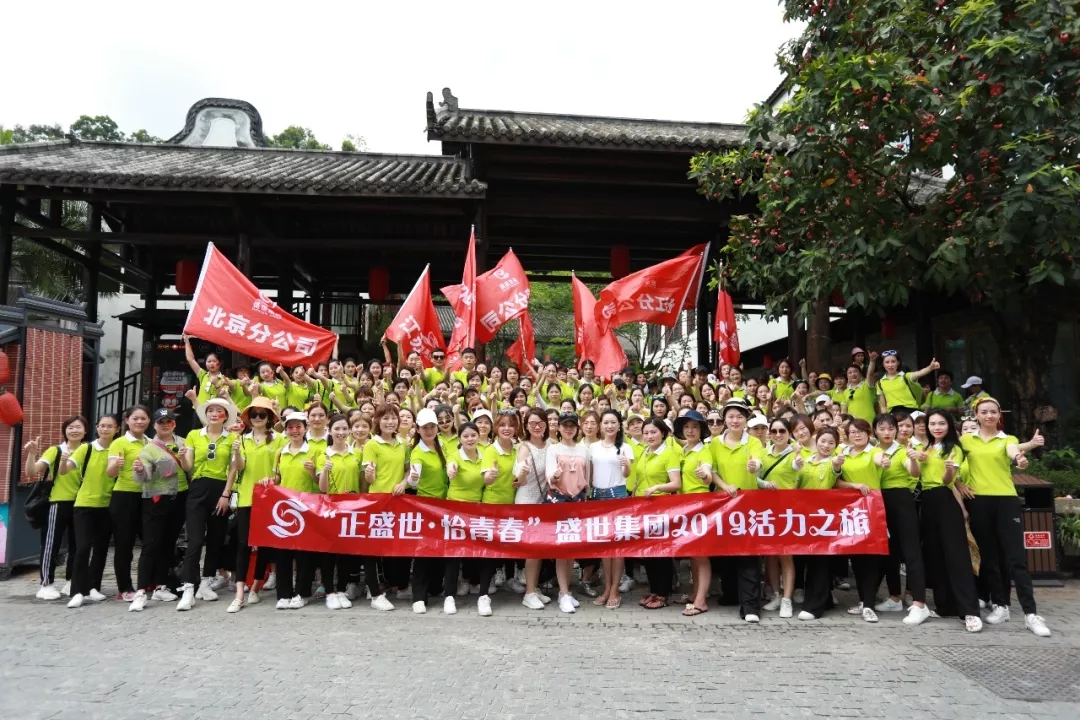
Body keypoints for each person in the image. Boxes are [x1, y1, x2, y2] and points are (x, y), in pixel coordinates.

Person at [958, 398, 1050, 637]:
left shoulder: (1006, 439)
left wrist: (1020, 458)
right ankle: (1000, 605)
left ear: (999, 415)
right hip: (979, 501)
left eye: (993, 412)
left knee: (1016, 558)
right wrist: (959, 484)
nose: (989, 415)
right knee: (989, 556)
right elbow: (950, 463)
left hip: (1006, 500)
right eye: (984, 412)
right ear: (976, 415)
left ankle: (1031, 614)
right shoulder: (966, 440)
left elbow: (1013, 451)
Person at [914, 411, 983, 633]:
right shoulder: (925, 449)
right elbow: (916, 475)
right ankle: (945, 606)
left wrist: (949, 471)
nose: (937, 427)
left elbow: (947, 481)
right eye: (932, 423)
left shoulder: (954, 449)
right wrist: (914, 458)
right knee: (935, 555)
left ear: (949, 425)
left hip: (945, 499)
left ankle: (970, 611)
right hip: (927, 502)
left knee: (956, 556)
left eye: (941, 423)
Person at [128, 408, 190, 612]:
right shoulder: (149, 449)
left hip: (180, 498)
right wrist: (140, 471)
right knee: (151, 545)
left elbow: (190, 468)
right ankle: (141, 592)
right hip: (156, 500)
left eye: (169, 421)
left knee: (168, 543)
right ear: (154, 425)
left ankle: (161, 586)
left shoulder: (183, 443)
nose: (165, 425)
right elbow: (142, 476)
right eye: (161, 422)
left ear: (174, 423)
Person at [708, 399, 765, 622]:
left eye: (739, 417)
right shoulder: (714, 443)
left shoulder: (754, 442)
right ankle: (730, 595)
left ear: (746, 420)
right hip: (722, 504)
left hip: (748, 506)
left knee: (748, 555)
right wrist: (724, 486)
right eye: (731, 416)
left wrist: (754, 466)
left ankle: (750, 606)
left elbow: (758, 462)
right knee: (727, 553)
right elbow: (712, 470)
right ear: (724, 419)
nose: (735, 420)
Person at [872, 413, 930, 624]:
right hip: (879, 501)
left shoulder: (903, 450)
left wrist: (913, 459)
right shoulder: (872, 450)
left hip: (902, 500)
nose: (887, 432)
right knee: (889, 551)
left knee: (911, 551)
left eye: (891, 428)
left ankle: (919, 603)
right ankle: (895, 597)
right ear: (875, 431)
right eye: (882, 428)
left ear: (896, 430)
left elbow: (914, 473)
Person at [24, 415, 87, 600]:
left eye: (78, 427)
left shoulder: (89, 450)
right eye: (70, 427)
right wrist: (32, 454)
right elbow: (31, 471)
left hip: (82, 503)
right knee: (51, 544)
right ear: (64, 431)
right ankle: (46, 584)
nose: (74, 430)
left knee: (78, 546)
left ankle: (72, 581)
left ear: (85, 431)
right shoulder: (56, 450)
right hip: (58, 502)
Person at [227, 396, 281, 613]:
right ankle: (240, 593)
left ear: (269, 417)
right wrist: (236, 452)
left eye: (262, 414)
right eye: (254, 414)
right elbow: (239, 467)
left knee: (266, 544)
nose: (258, 418)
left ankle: (257, 586)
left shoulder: (279, 440)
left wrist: (273, 479)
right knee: (243, 544)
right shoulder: (241, 440)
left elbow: (280, 471)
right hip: (247, 497)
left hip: (269, 498)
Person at [834, 419, 887, 623]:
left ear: (869, 433)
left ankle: (869, 604)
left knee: (872, 557)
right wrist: (854, 485)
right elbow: (836, 482)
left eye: (861, 431)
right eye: (853, 432)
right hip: (851, 511)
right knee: (856, 558)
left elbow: (880, 459)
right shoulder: (842, 453)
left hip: (873, 509)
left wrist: (884, 462)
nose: (857, 435)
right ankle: (864, 601)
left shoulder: (874, 451)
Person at [442, 422, 497, 615]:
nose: (470, 439)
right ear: (460, 438)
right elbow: (451, 466)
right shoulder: (455, 455)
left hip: (478, 511)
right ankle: (449, 596)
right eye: (465, 436)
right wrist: (451, 471)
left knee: (485, 553)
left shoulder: (485, 455)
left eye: (473, 435)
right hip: (456, 511)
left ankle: (483, 596)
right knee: (454, 555)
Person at [65, 414, 120, 608]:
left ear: (117, 429)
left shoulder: (118, 449)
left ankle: (93, 587)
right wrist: (63, 461)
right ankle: (77, 591)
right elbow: (66, 468)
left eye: (109, 426)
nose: (105, 429)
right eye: (102, 425)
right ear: (97, 428)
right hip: (85, 504)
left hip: (108, 505)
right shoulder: (86, 448)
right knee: (82, 548)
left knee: (101, 549)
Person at [362, 404, 410, 611]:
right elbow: (369, 478)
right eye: (385, 418)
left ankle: (393, 585)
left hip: (398, 501)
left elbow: (407, 470)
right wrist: (370, 474)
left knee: (394, 547)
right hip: (377, 502)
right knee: (373, 549)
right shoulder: (371, 445)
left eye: (393, 418)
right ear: (377, 421)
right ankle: (375, 594)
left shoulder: (403, 443)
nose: (390, 422)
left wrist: (404, 483)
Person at [792, 427, 842, 620]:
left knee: (820, 560)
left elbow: (836, 471)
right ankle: (825, 599)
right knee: (809, 559)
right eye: (823, 441)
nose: (826, 446)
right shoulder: (806, 460)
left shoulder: (833, 462)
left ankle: (814, 606)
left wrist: (837, 463)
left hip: (824, 518)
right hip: (804, 517)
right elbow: (796, 483)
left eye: (831, 443)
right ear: (816, 440)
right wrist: (796, 464)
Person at [272, 411, 320, 609]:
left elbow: (320, 482)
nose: (294, 431)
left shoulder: (314, 451)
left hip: (307, 508)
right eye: (290, 427)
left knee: (304, 554)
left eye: (298, 426)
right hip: (285, 509)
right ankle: (283, 594)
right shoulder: (280, 452)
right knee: (283, 553)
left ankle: (302, 593)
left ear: (305, 428)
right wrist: (269, 480)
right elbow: (277, 478)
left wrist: (312, 471)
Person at [587, 410, 634, 609]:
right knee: (605, 547)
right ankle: (607, 588)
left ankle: (615, 589)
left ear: (619, 425)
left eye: (613, 422)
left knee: (618, 547)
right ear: (600, 425)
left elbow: (627, 473)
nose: (609, 426)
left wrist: (626, 465)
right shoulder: (593, 447)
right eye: (606, 422)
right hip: (598, 497)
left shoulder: (625, 447)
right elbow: (590, 475)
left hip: (618, 495)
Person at [545, 413, 591, 614]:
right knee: (561, 548)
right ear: (559, 428)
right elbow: (549, 475)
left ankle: (567, 591)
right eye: (565, 426)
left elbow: (588, 476)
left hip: (578, 500)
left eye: (572, 426)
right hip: (560, 500)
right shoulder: (553, 449)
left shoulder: (583, 449)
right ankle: (563, 592)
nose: (568, 429)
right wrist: (555, 476)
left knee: (572, 547)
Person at [634, 418, 682, 610]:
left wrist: (657, 488)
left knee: (661, 553)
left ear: (663, 433)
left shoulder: (669, 454)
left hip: (661, 509)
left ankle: (663, 593)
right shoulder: (644, 452)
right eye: (646, 433)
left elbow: (676, 483)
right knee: (648, 553)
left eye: (653, 432)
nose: (649, 436)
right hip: (643, 508)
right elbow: (638, 479)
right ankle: (654, 590)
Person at [317, 414, 362, 611]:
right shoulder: (323, 455)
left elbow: (361, 483)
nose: (341, 433)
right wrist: (325, 471)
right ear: (330, 430)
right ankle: (329, 591)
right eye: (337, 429)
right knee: (329, 553)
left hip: (351, 510)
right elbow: (322, 489)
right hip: (330, 510)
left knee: (345, 552)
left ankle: (342, 589)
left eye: (344, 429)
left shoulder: (356, 454)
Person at [106, 406, 152, 601]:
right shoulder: (119, 442)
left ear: (148, 421)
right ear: (127, 420)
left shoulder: (151, 442)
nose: (139, 422)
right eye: (135, 418)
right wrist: (116, 465)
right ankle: (124, 588)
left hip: (147, 496)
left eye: (143, 418)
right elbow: (110, 473)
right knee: (125, 544)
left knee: (151, 541)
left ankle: (149, 582)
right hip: (124, 497)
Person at [408, 408, 449, 613]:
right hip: (426, 506)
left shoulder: (442, 446)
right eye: (425, 427)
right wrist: (412, 478)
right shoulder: (417, 451)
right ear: (418, 429)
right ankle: (419, 597)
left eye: (432, 426)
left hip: (445, 504)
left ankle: (435, 587)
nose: (429, 430)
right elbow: (414, 480)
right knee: (423, 551)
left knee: (440, 549)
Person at [761, 417, 799, 618]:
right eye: (774, 431)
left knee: (785, 555)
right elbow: (756, 477)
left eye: (782, 431)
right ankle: (776, 594)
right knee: (771, 555)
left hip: (787, 510)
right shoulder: (764, 453)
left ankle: (787, 599)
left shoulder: (795, 453)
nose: (778, 435)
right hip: (766, 510)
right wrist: (763, 483)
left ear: (789, 433)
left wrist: (798, 462)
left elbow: (798, 468)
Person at [515, 408, 552, 609]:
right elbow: (519, 479)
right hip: (527, 501)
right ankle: (528, 593)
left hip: (544, 501)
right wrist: (522, 472)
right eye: (532, 424)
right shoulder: (525, 448)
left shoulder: (551, 445)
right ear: (526, 426)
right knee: (532, 550)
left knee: (539, 549)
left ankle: (533, 587)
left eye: (541, 423)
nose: (537, 427)